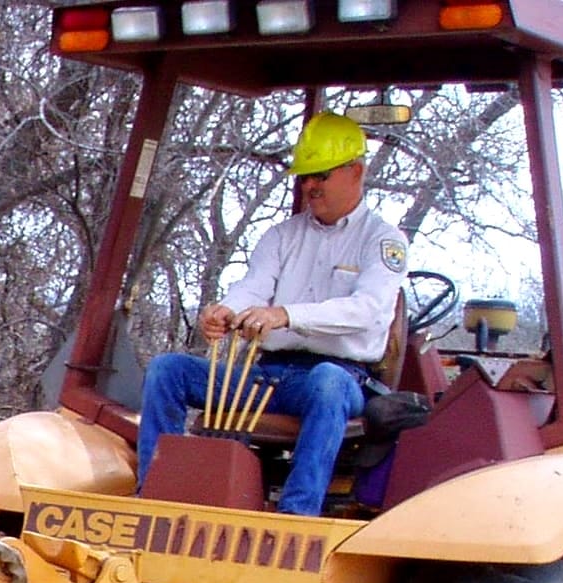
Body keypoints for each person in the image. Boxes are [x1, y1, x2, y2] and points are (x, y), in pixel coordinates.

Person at [135, 112, 410, 515]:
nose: (310, 186)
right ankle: (154, 495)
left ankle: (297, 516)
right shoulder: (283, 234)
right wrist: (226, 310)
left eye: (321, 175)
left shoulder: (383, 240)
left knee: (328, 384)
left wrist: (286, 315)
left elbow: (366, 311)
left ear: (355, 171)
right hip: (268, 375)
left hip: (340, 377)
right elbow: (255, 285)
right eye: (305, 177)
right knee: (168, 369)